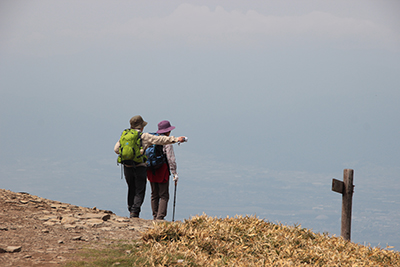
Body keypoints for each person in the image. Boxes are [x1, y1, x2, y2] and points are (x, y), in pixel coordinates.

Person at [114, 115, 186, 218]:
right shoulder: (144, 136)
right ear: (141, 127)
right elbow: (162, 143)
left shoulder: (124, 135)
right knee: (142, 190)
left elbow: (116, 149)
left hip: (128, 166)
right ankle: (137, 213)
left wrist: (130, 155)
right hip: (143, 167)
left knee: (133, 189)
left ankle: (132, 210)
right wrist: (176, 139)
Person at [147, 120, 179, 221]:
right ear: (168, 131)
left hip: (151, 169)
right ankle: (160, 218)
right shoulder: (167, 141)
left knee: (154, 194)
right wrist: (174, 173)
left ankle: (154, 215)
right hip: (162, 169)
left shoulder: (152, 139)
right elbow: (171, 158)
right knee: (164, 195)